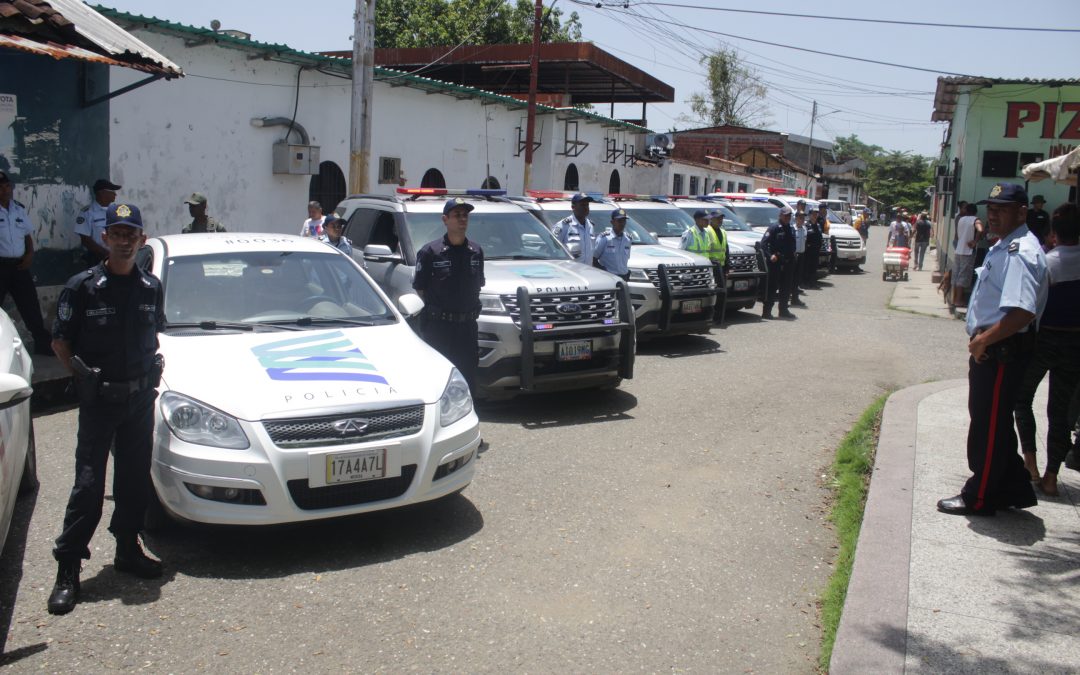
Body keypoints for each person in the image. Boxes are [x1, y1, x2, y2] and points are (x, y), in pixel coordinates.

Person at [47, 202, 166, 615]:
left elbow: (156, 336)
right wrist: (83, 380)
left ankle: (127, 551)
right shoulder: (82, 287)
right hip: (100, 402)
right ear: (105, 239)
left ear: (141, 240)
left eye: (130, 234)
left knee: (134, 481)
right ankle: (68, 569)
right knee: (88, 485)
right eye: (116, 233)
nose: (123, 241)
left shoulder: (151, 287)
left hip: (138, 399)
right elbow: (60, 342)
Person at [937, 183, 1048, 517]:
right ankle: (1012, 486)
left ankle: (980, 496)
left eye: (1002, 209)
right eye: (991, 209)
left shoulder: (1020, 252)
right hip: (995, 347)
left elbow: (1022, 312)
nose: (994, 215)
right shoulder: (1007, 245)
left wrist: (984, 340)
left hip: (1001, 350)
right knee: (994, 422)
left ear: (1022, 213)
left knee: (988, 425)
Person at [1013, 203, 1080, 497]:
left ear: (1053, 234)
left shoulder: (1046, 262)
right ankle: (1052, 475)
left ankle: (1030, 460)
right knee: (1060, 410)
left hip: (1044, 341)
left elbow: (1033, 307)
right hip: (1075, 344)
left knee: (1022, 398)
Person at [411, 197, 485, 392]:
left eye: (465, 215)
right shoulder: (430, 252)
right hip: (440, 327)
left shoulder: (475, 251)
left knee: (467, 378)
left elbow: (478, 285)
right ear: (445, 220)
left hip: (467, 328)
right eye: (457, 215)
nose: (462, 219)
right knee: (439, 379)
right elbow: (420, 287)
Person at [0, 170, 54, 355]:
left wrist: (30, 253)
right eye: (0, 187)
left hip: (19, 266)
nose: (5, 190)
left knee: (30, 305)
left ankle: (42, 343)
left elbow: (26, 235)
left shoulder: (18, 209)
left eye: (7, 186)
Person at [760, 205, 796, 319]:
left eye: (789, 216)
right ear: (780, 215)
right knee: (772, 287)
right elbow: (763, 244)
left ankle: (783, 310)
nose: (787, 218)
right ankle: (767, 312)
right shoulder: (774, 227)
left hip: (788, 262)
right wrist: (770, 256)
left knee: (786, 288)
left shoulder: (790, 228)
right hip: (776, 263)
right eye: (785, 216)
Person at [74, 178, 120, 263]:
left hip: (117, 256)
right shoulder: (87, 213)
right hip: (97, 258)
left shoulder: (117, 210)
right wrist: (107, 254)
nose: (115, 194)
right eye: (112, 191)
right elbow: (85, 240)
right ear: (102, 193)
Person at [952, 203, 981, 311]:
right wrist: (975, 241)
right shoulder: (975, 220)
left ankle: (955, 299)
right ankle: (959, 300)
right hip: (968, 251)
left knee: (956, 274)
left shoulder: (960, 219)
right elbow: (980, 229)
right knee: (963, 275)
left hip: (959, 249)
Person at [552, 193, 596, 264]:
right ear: (573, 207)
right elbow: (553, 248)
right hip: (570, 271)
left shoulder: (590, 226)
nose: (585, 208)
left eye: (587, 205)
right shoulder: (564, 225)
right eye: (582, 205)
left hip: (587, 271)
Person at [593, 208, 632, 280]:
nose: (622, 224)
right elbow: (594, 259)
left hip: (624, 278)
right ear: (612, 222)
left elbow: (625, 260)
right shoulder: (605, 238)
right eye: (619, 221)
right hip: (609, 278)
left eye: (624, 221)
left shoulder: (628, 239)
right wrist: (604, 271)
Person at [790, 210, 807, 308]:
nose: (802, 220)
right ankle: (787, 297)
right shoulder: (792, 229)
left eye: (803, 218)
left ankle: (795, 298)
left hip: (801, 256)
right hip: (794, 256)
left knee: (797, 279)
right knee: (791, 278)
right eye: (800, 217)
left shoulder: (804, 229)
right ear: (796, 218)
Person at [804, 207, 823, 289]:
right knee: (806, 267)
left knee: (814, 267)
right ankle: (805, 283)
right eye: (813, 214)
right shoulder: (806, 225)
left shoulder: (818, 225)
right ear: (810, 215)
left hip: (816, 250)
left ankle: (813, 283)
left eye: (816, 214)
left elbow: (820, 237)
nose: (815, 215)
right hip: (808, 250)